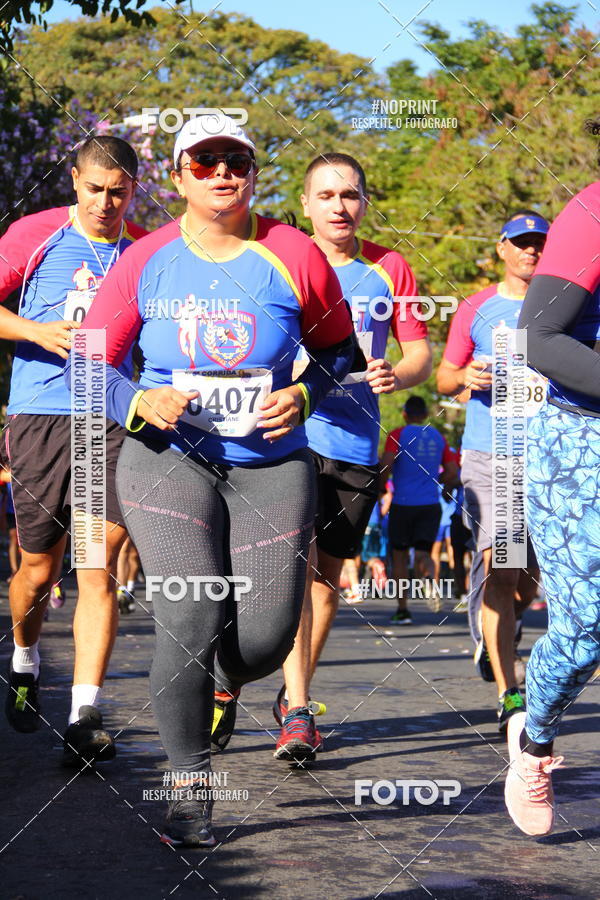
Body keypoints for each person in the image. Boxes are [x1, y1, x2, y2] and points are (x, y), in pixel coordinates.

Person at [68, 114, 356, 846]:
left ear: (254, 172)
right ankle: (190, 787)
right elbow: (89, 361)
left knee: (261, 640)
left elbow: (340, 353)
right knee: (189, 617)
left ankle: (222, 681)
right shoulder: (147, 260)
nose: (222, 172)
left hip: (270, 462)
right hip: (168, 459)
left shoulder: (295, 255)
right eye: (205, 162)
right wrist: (137, 399)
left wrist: (308, 394)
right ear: (178, 173)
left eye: (236, 160)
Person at [266, 152, 431, 760]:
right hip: (286, 440)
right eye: (328, 195)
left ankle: (290, 699)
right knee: (285, 572)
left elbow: (420, 356)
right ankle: (297, 706)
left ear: (364, 203)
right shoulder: (278, 263)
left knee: (325, 583)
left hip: (356, 446)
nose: (341, 206)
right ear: (306, 204)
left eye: (352, 195)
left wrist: (397, 373)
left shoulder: (388, 269)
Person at [1, 136, 145, 765]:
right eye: (95, 189)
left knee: (98, 568)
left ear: (133, 189)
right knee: (37, 566)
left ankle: (85, 714)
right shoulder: (34, 236)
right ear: (75, 184)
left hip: (107, 421)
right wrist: (34, 330)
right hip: (38, 415)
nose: (105, 203)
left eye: (118, 191)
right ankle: (26, 658)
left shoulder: (144, 251)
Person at [504, 164, 600, 835]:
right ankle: (534, 741)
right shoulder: (593, 211)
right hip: (582, 444)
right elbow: (539, 338)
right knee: (586, 626)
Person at [437, 210, 549, 731]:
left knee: (531, 582)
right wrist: (466, 375)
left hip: (551, 454)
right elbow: (443, 378)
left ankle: (499, 628)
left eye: (540, 244)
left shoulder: (566, 304)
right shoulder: (477, 308)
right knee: (502, 567)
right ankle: (509, 692)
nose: (531, 252)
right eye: (522, 244)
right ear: (502, 248)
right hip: (493, 454)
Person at [380, 396, 457, 623]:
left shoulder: (397, 434)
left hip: (403, 504)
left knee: (400, 556)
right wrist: (437, 481)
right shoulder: (439, 438)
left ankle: (403, 609)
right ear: (425, 415)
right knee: (424, 552)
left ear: (405, 414)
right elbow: (452, 472)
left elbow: (386, 465)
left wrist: (381, 487)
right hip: (430, 505)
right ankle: (431, 583)